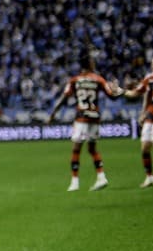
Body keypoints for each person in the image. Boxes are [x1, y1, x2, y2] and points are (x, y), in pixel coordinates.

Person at [46, 50, 122, 191]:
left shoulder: (75, 80)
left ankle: (75, 182)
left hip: (81, 118)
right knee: (92, 148)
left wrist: (52, 114)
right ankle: (101, 177)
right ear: (89, 64)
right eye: (92, 62)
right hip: (94, 117)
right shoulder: (99, 79)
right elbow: (112, 96)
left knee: (76, 148)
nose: (94, 63)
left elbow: (63, 98)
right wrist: (119, 90)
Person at [120, 51, 153, 188]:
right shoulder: (150, 78)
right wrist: (121, 91)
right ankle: (149, 177)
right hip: (151, 116)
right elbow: (138, 93)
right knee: (144, 149)